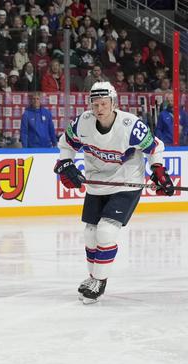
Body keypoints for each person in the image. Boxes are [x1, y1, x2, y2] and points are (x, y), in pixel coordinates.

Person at [54, 82, 174, 304]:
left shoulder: (129, 125)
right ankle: (93, 277)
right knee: (90, 233)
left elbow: (155, 147)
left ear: (113, 103)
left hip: (126, 182)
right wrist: (65, 163)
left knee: (106, 231)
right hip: (96, 183)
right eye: (95, 104)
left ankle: (99, 281)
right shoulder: (83, 123)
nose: (99, 108)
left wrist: (158, 169)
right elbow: (65, 145)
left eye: (103, 103)